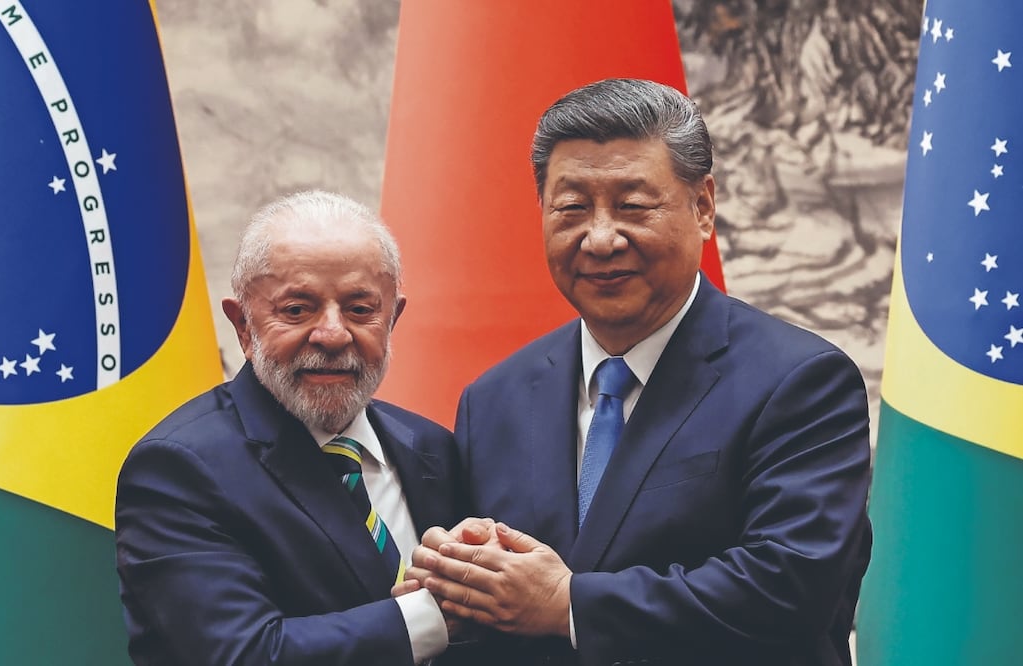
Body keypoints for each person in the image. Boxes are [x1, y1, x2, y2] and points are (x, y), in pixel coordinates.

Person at [412, 78, 873, 665]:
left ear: (703, 207)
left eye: (632, 205)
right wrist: (452, 595)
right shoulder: (494, 398)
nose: (601, 238)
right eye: (573, 207)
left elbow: (791, 587)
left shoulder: (802, 381)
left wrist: (570, 603)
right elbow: (496, 614)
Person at [115, 190, 465, 665]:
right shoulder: (177, 469)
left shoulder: (433, 449)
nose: (333, 334)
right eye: (297, 310)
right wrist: (438, 611)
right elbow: (245, 655)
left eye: (361, 309)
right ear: (242, 326)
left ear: (393, 319)